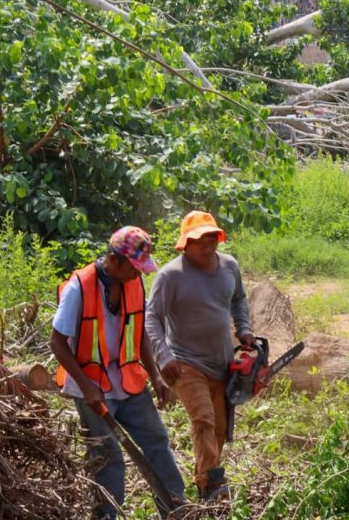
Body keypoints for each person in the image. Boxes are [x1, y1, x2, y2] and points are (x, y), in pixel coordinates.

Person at [50, 226, 184, 520]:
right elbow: (57, 342)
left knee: (157, 441)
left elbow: (140, 336)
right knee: (108, 458)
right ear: (114, 259)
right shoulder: (79, 287)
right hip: (90, 385)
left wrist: (156, 374)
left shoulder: (134, 284)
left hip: (127, 381)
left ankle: (177, 511)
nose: (139, 274)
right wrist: (86, 388)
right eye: (134, 268)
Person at [146, 211, 254, 500]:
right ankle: (212, 486)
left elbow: (239, 300)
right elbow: (152, 318)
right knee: (204, 419)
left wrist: (244, 329)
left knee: (219, 428)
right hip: (185, 362)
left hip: (222, 362)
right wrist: (164, 356)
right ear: (185, 243)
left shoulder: (229, 266)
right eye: (199, 240)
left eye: (211, 238)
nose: (207, 245)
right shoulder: (170, 275)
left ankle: (206, 477)